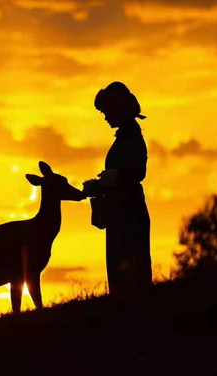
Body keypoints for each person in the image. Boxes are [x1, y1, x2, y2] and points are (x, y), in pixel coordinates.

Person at [83, 81, 152, 298]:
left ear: (117, 110)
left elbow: (137, 172)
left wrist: (114, 178)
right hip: (121, 212)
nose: (105, 118)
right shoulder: (127, 136)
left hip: (128, 212)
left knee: (130, 272)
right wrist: (101, 185)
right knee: (120, 271)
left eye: (106, 112)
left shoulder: (132, 138)